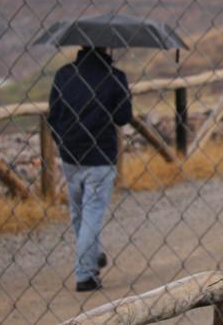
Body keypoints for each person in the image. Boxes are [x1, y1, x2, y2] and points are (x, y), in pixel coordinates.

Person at [47, 46, 132, 292]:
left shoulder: (64, 74)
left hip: (70, 155)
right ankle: (85, 275)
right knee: (93, 213)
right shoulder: (115, 77)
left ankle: (91, 256)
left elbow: (54, 115)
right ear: (107, 47)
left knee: (78, 213)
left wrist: (63, 139)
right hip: (101, 155)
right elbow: (123, 117)